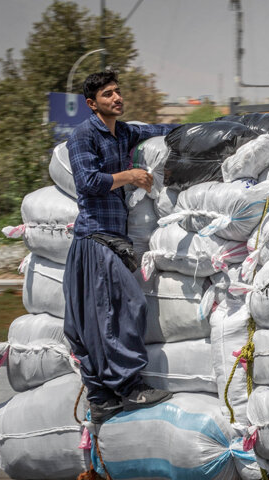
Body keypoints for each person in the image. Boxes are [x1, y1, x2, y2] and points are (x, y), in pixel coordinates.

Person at [63, 71, 177, 424]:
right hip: (95, 238)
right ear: (91, 103)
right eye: (108, 94)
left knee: (98, 321)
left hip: (116, 240)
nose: (116, 97)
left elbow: (157, 130)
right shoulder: (82, 136)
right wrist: (130, 176)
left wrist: (213, 127)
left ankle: (101, 399)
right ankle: (129, 388)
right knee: (128, 306)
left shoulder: (124, 132)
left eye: (117, 91)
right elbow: (88, 182)